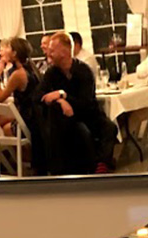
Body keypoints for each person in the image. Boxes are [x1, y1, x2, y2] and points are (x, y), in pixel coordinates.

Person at [36, 32, 117, 174]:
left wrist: (63, 95)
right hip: (65, 119)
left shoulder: (83, 71)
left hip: (87, 114)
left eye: (52, 50)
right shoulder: (52, 73)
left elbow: (86, 104)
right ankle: (84, 169)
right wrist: (61, 100)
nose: (48, 54)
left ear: (64, 52)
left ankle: (101, 165)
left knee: (110, 128)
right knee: (80, 131)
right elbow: (38, 96)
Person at [0, 37, 43, 171]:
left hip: (29, 118)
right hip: (35, 114)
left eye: (8, 47)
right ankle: (18, 162)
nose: (4, 51)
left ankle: (19, 163)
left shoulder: (18, 74)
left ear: (14, 53)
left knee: (3, 127)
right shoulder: (31, 68)